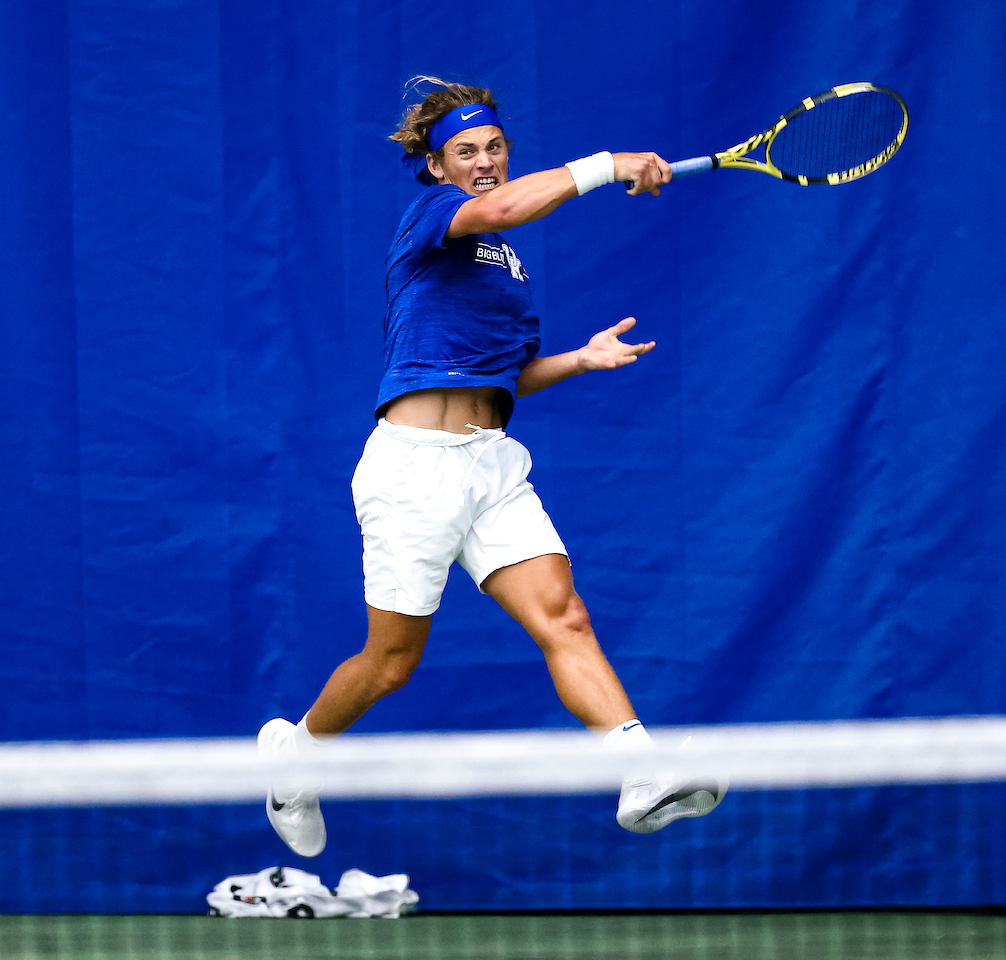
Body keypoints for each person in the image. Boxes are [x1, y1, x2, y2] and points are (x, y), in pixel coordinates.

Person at [259, 78, 725, 857]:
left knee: (565, 616)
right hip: (412, 469)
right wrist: (612, 162)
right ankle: (295, 756)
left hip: (493, 467)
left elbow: (506, 373)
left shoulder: (510, 270)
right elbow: (509, 207)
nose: (483, 162)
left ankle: (639, 774)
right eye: (464, 152)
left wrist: (581, 358)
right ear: (439, 168)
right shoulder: (434, 217)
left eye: (494, 149)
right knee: (390, 664)